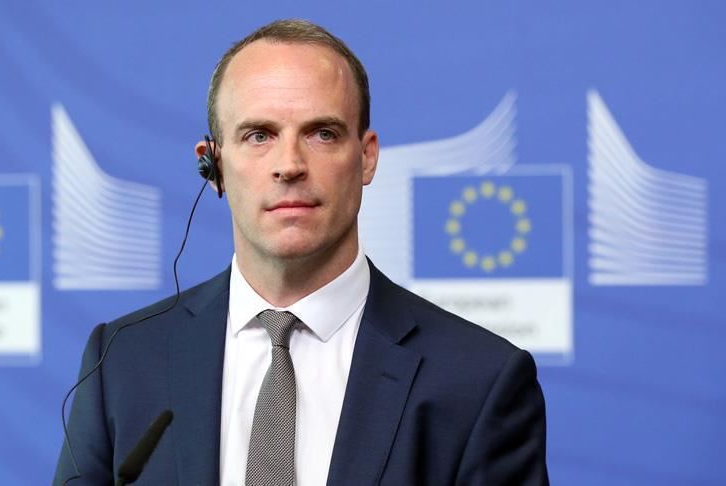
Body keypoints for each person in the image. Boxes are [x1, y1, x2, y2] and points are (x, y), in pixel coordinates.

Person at [54, 19, 548, 485]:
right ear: (213, 166)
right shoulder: (121, 363)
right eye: (259, 135)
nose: (289, 164)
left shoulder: (478, 380)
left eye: (322, 133)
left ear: (367, 157)